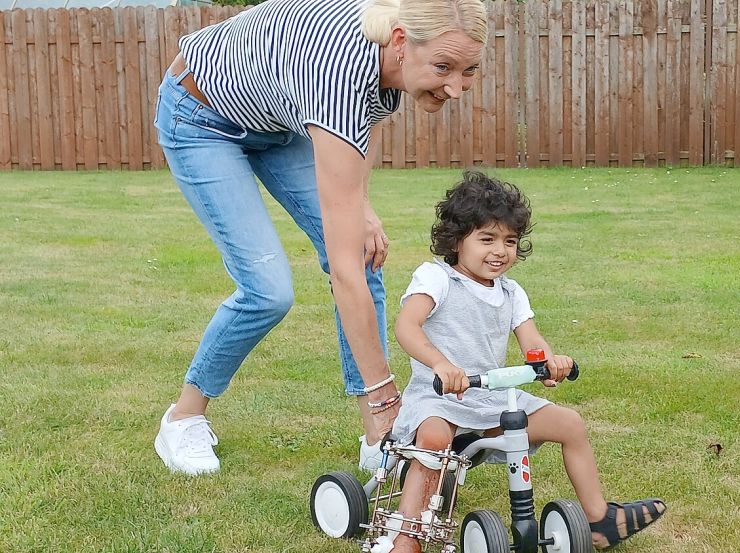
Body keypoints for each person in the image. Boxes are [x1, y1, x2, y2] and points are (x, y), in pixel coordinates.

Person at [152, 0, 488, 476]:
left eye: (469, 70)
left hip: (277, 121)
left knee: (365, 254)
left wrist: (364, 209)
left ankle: (378, 442)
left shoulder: (380, 60)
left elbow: (358, 134)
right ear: (399, 44)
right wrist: (385, 394)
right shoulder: (340, 74)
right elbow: (341, 265)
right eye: (443, 68)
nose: (455, 88)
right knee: (268, 291)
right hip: (201, 117)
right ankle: (183, 417)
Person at [388, 171, 666, 552]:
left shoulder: (511, 292)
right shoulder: (437, 278)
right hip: (440, 397)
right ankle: (407, 537)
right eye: (487, 239)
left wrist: (549, 362)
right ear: (456, 241)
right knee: (434, 438)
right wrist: (440, 364)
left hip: (491, 399)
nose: (500, 251)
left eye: (510, 241)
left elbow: (532, 340)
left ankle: (599, 519)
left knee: (570, 423)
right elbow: (407, 325)